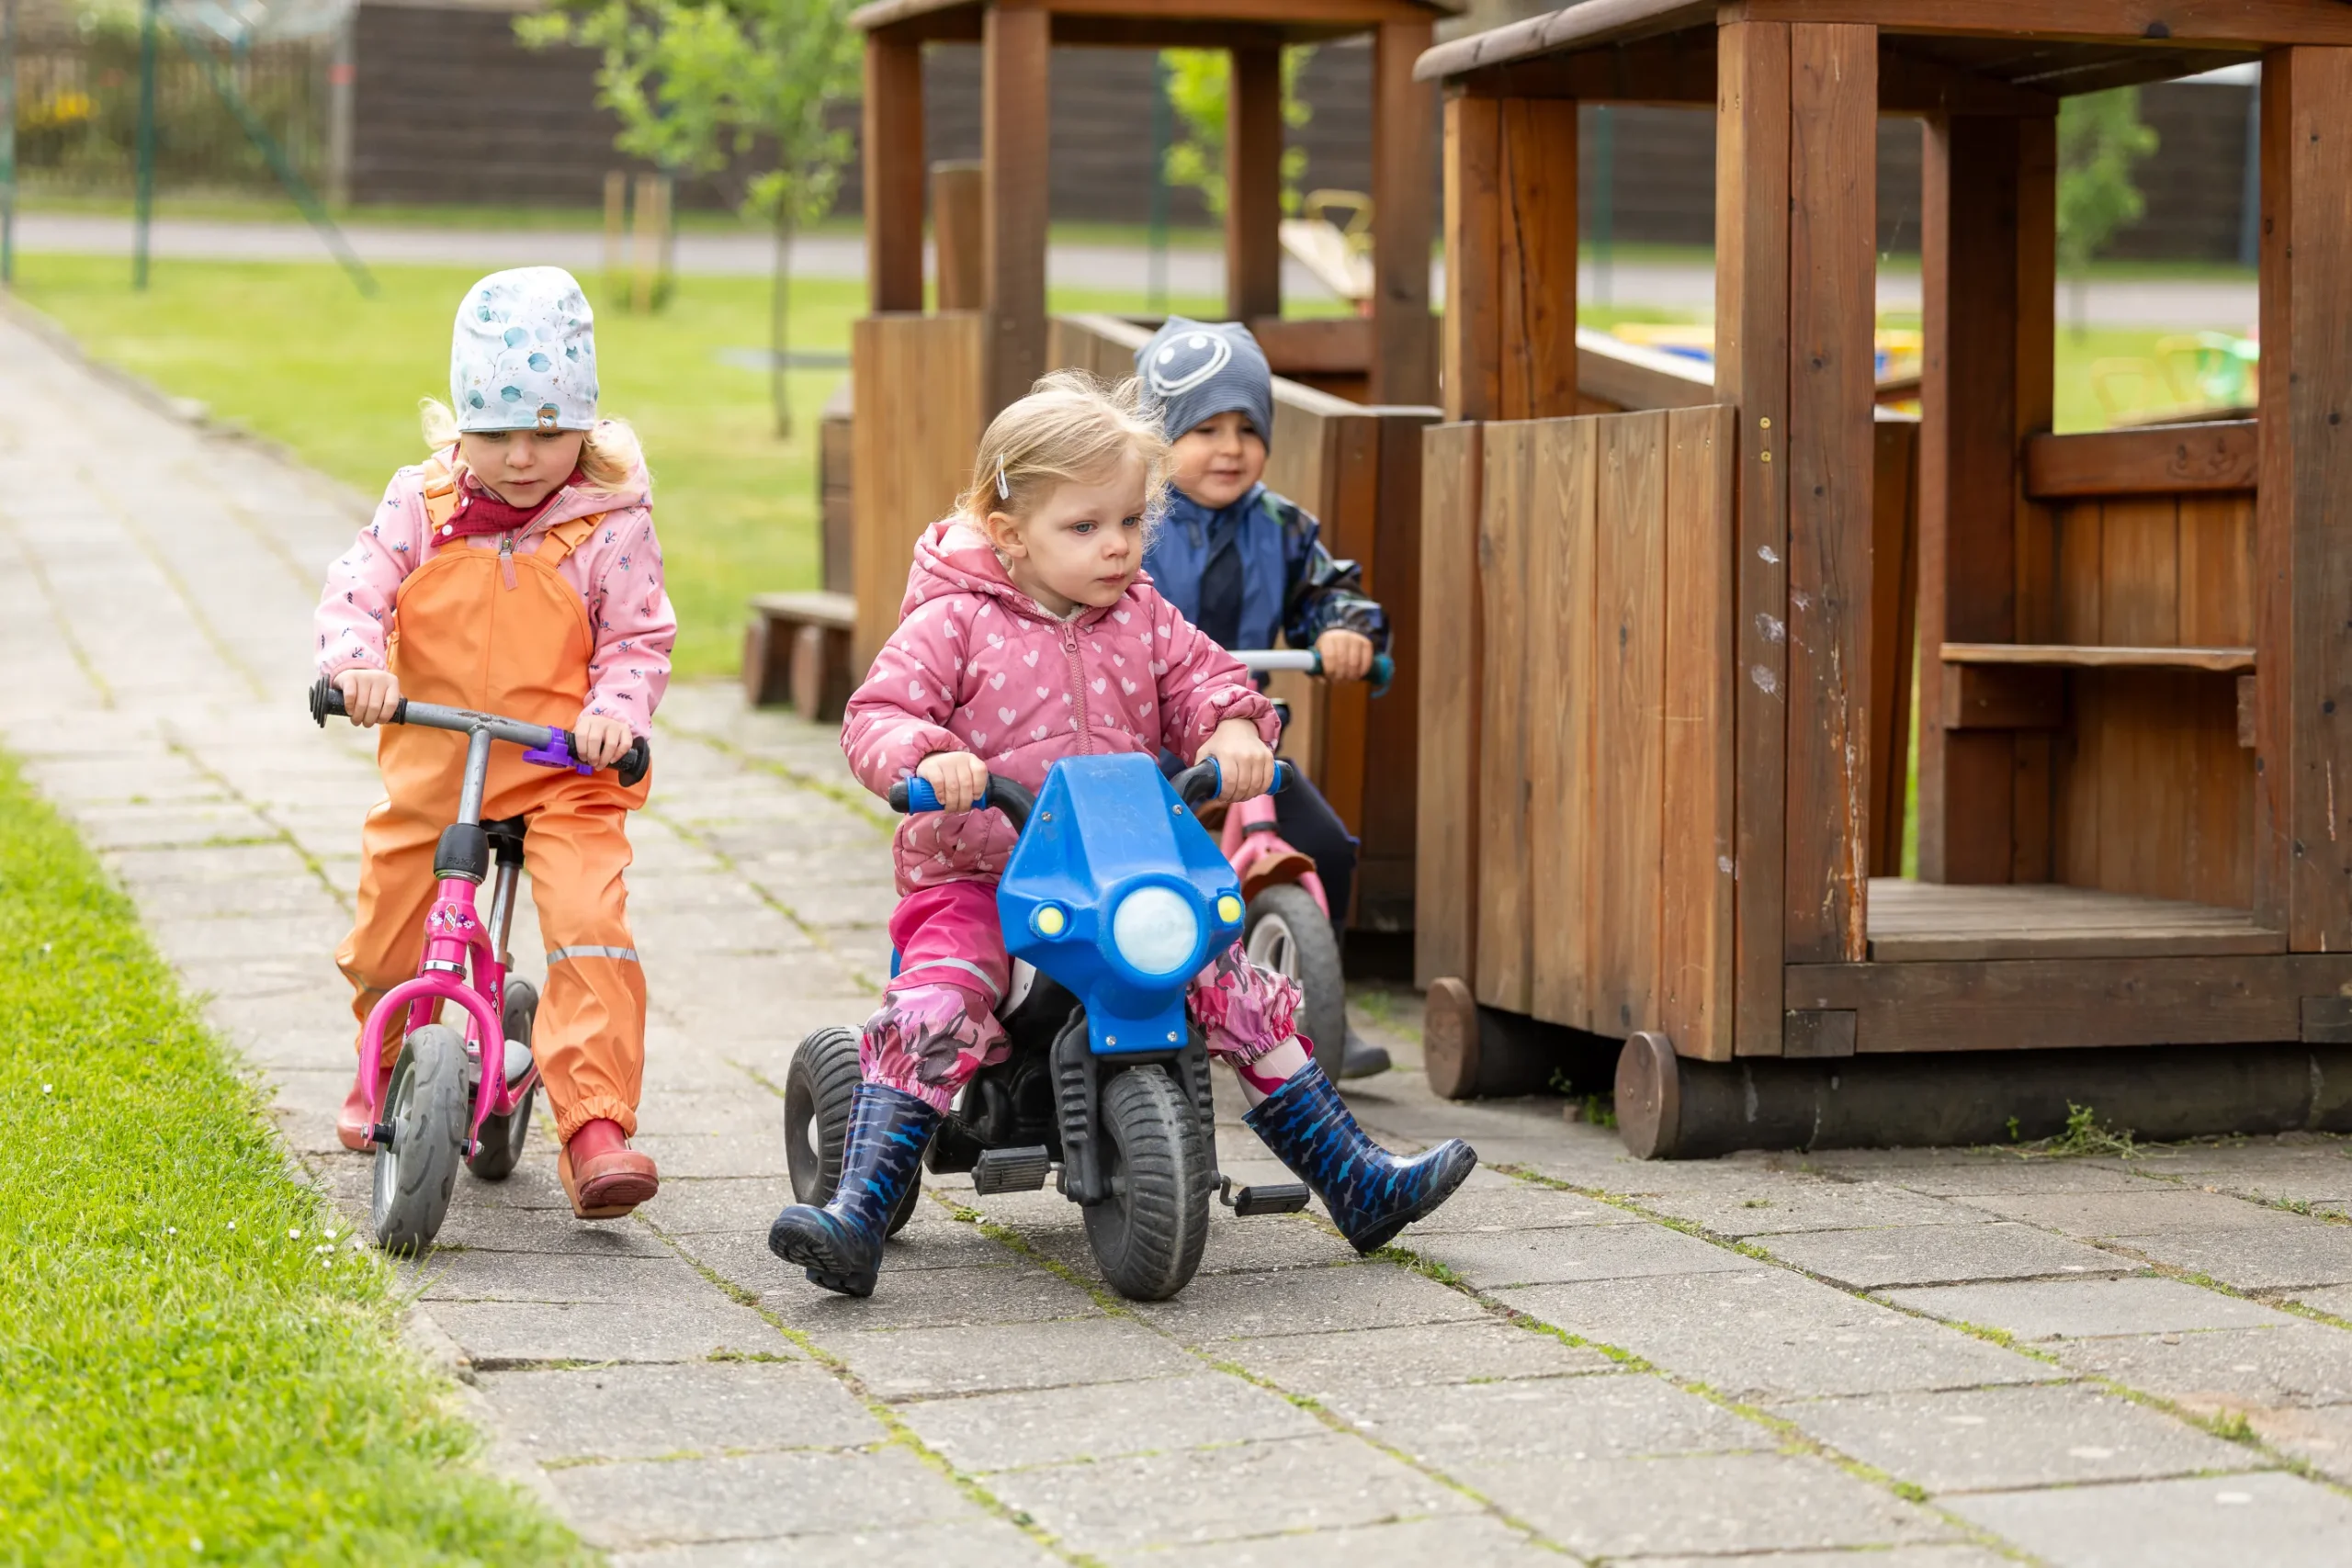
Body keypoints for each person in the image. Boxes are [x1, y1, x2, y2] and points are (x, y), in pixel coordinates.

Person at [767, 372, 1474, 1297]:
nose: (1117, 547)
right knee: (938, 1005)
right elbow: (881, 712)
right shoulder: (952, 621)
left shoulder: (1141, 615)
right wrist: (927, 756)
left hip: (1123, 875)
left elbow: (1211, 683)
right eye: (1086, 527)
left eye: (1132, 523)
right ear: (1011, 532)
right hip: (981, 876)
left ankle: (1351, 1175)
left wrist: (1231, 733)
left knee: (1231, 985)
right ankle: (858, 1211)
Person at [315, 266, 673, 1222]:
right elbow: (358, 588)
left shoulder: (611, 520)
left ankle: (594, 1124)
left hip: (564, 770)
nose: (523, 457)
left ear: (586, 429)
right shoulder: (419, 504)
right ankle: (389, 1060)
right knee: (390, 921)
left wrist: (616, 717)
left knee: (590, 922)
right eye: (498, 432)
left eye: (550, 432)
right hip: (441, 764)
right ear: (458, 426)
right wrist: (357, 665)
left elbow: (638, 639)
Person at [1135, 318, 1390, 1078]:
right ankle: (1138, 1012)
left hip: (1243, 744)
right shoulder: (1130, 524)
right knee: (1137, 875)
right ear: (1157, 438)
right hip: (1146, 746)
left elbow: (1329, 589)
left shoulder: (1280, 527)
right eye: (1204, 428)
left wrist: (1345, 632)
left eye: (1248, 427)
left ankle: (1315, 995)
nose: (1231, 447)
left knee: (1326, 843)